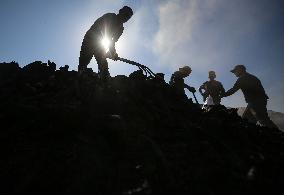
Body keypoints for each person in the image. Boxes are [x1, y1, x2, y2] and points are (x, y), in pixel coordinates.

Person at [78, 6, 133, 80]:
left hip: (100, 44)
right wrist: (112, 52)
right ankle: (79, 78)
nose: (126, 18)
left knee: (103, 66)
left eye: (128, 17)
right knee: (84, 62)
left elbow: (112, 41)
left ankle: (103, 82)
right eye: (126, 14)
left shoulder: (120, 29)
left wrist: (113, 53)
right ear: (120, 11)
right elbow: (104, 33)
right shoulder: (110, 16)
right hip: (90, 39)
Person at [223, 65, 278, 129]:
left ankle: (279, 135)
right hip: (258, 101)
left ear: (240, 70)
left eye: (235, 71)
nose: (234, 73)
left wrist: (221, 95)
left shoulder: (242, 79)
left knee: (263, 120)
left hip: (255, 102)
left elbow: (232, 90)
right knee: (246, 121)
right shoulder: (253, 77)